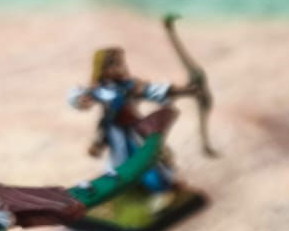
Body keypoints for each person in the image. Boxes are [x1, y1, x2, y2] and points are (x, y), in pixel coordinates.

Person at [69, 47, 195, 193]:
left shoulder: (129, 86)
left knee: (148, 158)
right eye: (113, 64)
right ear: (103, 68)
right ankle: (132, 190)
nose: (119, 68)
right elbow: (78, 97)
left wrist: (184, 90)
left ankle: (161, 186)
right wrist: (81, 99)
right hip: (115, 133)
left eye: (120, 63)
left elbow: (152, 90)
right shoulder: (98, 91)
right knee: (122, 164)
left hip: (135, 128)